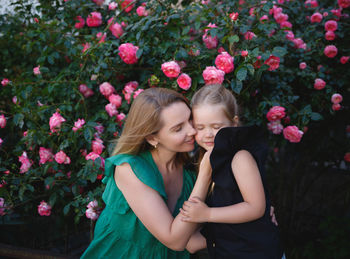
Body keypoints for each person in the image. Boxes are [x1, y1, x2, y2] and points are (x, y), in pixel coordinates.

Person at [81, 88, 212, 259]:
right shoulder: (130, 169)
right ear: (152, 138)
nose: (192, 131)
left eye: (190, 119)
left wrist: (249, 232)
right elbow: (175, 241)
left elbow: (190, 241)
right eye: (178, 128)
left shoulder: (188, 173)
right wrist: (205, 175)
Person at [180, 84, 283, 259]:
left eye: (216, 126)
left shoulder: (240, 158)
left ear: (234, 123)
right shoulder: (205, 161)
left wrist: (207, 214)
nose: (208, 134)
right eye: (200, 127)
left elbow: (256, 208)